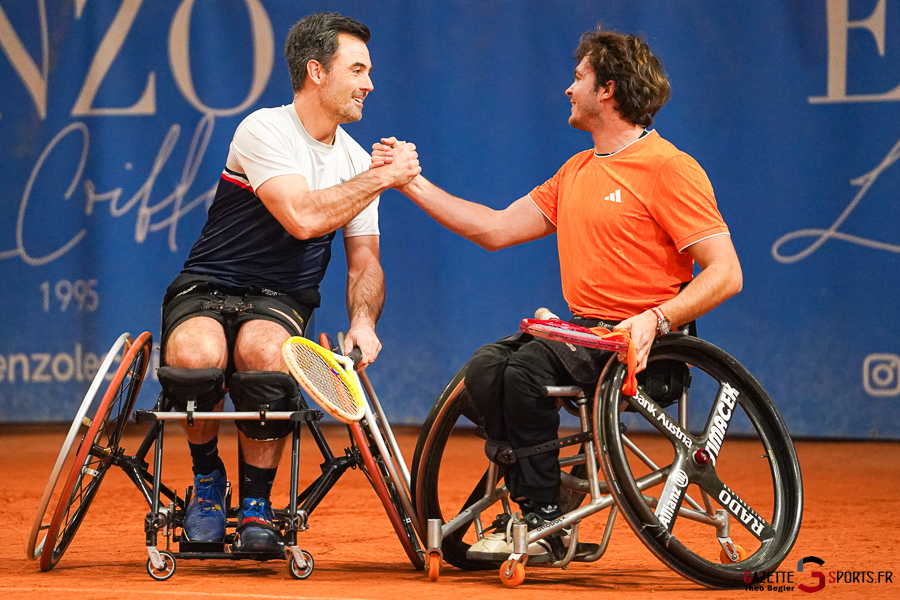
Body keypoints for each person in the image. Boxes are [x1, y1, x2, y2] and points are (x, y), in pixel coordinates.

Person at [372, 26, 742, 561]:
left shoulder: (670, 168)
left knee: (525, 372)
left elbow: (726, 272)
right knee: (485, 368)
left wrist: (655, 320)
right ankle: (545, 495)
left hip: (648, 347)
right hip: (588, 336)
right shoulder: (576, 172)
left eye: (578, 77)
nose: (569, 90)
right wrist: (410, 183)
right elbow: (494, 229)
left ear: (608, 90)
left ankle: (544, 514)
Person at [159, 12, 420, 554]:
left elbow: (364, 262)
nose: (369, 83)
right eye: (358, 70)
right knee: (194, 350)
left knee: (264, 351)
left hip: (280, 300)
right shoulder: (263, 128)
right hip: (208, 284)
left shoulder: (354, 158)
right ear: (317, 72)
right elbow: (301, 217)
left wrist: (363, 321)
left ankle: (257, 501)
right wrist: (379, 178)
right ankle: (207, 483)